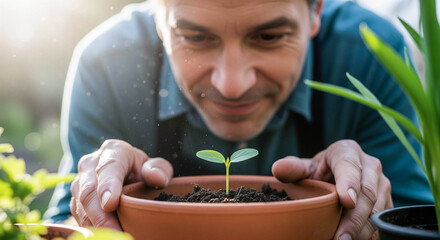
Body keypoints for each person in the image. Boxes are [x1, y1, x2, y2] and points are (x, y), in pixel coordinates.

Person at [44, 0, 433, 239]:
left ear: (315, 11)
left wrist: (372, 210)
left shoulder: (371, 54)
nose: (231, 84)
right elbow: (60, 228)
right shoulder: (108, 66)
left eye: (268, 37)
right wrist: (97, 208)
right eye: (196, 38)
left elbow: (418, 223)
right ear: (160, 18)